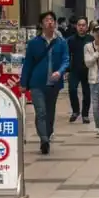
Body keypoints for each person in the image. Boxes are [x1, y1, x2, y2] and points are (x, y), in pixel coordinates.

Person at [20, 10, 70, 155]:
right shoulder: (34, 43)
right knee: (40, 112)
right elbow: (28, 64)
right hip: (37, 83)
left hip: (53, 84)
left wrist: (59, 72)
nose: (50, 22)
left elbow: (66, 60)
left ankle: (48, 133)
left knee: (50, 112)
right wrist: (24, 83)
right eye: (47, 20)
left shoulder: (61, 43)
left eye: (52, 20)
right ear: (42, 24)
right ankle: (44, 139)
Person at [67, 16, 93, 124]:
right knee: (72, 89)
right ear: (76, 27)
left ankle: (85, 114)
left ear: (87, 27)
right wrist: (67, 69)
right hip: (74, 69)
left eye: (83, 25)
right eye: (79, 25)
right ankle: (75, 110)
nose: (81, 27)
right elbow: (67, 55)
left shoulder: (91, 39)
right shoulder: (71, 40)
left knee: (87, 92)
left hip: (88, 69)